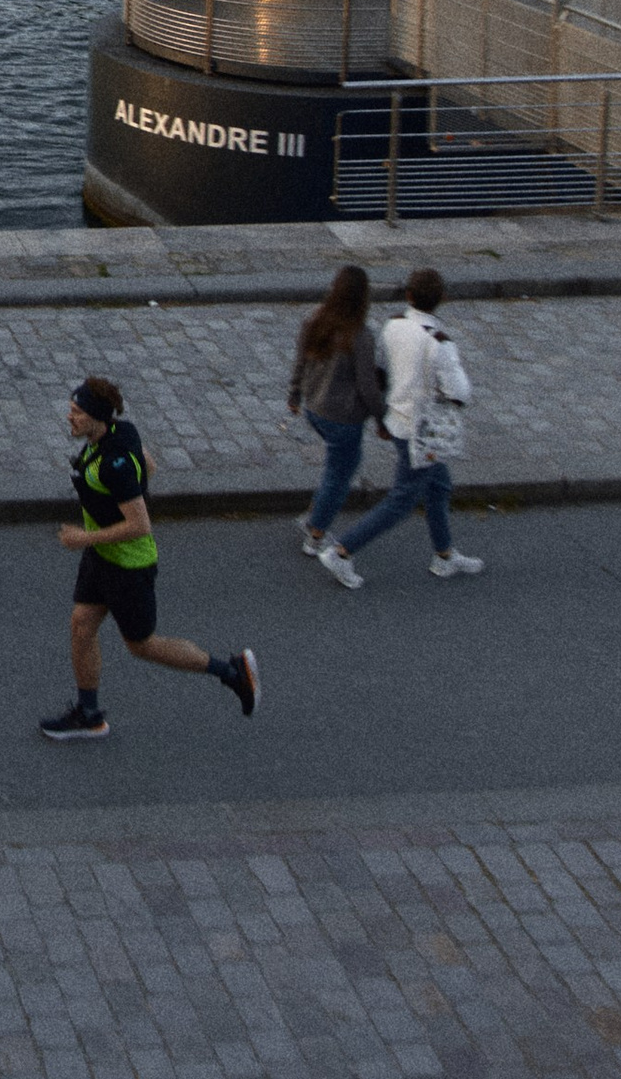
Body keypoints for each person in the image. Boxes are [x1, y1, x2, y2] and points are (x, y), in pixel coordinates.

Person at [40, 377, 258, 741]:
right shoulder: (118, 433)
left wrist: (84, 537)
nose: (69, 418)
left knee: (143, 645)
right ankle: (89, 714)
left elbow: (140, 525)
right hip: (102, 557)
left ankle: (232, 672)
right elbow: (150, 466)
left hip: (129, 566)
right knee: (81, 624)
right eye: (71, 410)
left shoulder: (114, 463)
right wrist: (118, 505)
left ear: (96, 416)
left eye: (76, 412)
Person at [318, 268, 483, 588]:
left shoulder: (393, 324)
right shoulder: (440, 342)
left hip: (396, 420)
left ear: (408, 295)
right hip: (423, 433)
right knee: (402, 499)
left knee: (439, 486)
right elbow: (460, 392)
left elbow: (380, 369)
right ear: (442, 300)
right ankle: (342, 551)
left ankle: (444, 555)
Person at [288, 262, 384, 558]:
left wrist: (294, 394)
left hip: (314, 408)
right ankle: (315, 533)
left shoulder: (314, 321)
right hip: (344, 417)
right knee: (340, 475)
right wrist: (384, 418)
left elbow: (300, 362)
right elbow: (368, 386)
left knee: (334, 467)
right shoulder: (361, 336)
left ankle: (314, 514)